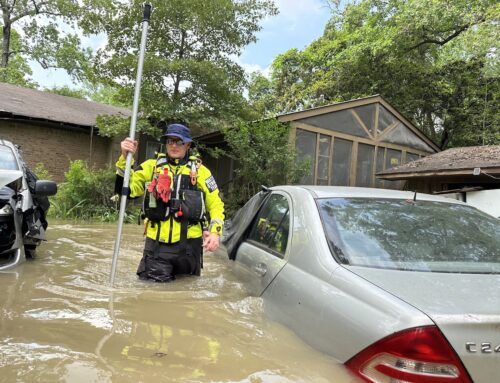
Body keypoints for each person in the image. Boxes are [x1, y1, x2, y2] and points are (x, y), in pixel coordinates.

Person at [115, 123, 224, 282]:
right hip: (157, 248)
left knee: (186, 296)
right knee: (152, 295)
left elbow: (216, 204)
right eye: (170, 141)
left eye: (179, 141)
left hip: (190, 249)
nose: (173, 145)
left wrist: (215, 232)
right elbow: (126, 192)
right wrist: (125, 158)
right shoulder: (150, 167)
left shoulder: (201, 172)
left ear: (188, 145)